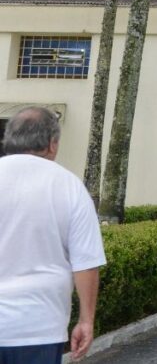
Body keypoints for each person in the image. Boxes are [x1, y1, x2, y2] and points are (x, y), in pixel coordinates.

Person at [0, 107, 106, 363]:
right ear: (52, 143)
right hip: (38, 327)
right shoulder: (69, 186)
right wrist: (86, 320)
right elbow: (86, 263)